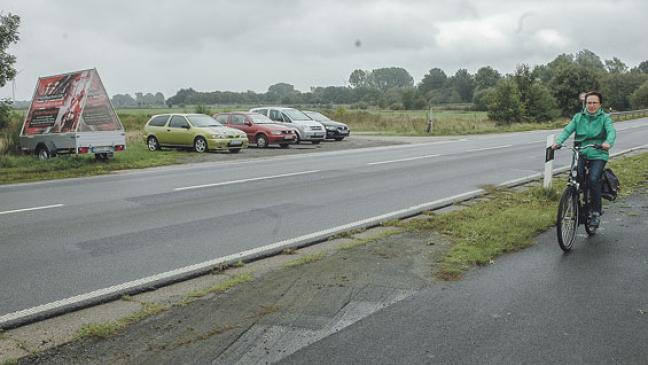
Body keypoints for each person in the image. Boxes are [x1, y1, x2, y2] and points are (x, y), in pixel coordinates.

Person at [552, 91, 616, 227]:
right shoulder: (578, 117)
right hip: (580, 152)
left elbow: (611, 132)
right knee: (575, 179)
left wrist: (607, 143)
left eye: (594, 103)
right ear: (585, 104)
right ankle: (576, 205)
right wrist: (558, 141)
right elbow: (567, 130)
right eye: (589, 103)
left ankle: (596, 212)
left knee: (593, 179)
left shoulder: (605, 118)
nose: (591, 105)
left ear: (600, 104)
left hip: (598, 153)